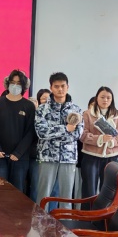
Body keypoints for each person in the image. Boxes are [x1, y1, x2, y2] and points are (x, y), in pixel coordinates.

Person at [35, 72, 83, 210]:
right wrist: (66, 128)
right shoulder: (42, 109)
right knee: (43, 195)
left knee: (66, 197)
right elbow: (41, 132)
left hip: (68, 157)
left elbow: (77, 134)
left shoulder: (76, 110)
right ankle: (40, 222)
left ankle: (65, 223)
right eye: (56, 86)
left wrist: (54, 132)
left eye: (63, 86)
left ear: (68, 87)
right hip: (47, 156)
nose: (60, 89)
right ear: (51, 88)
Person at [0, 69, 37, 195]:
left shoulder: (29, 106)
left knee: (17, 192)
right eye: (12, 82)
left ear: (24, 86)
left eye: (19, 83)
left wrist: (18, 152)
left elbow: (30, 132)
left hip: (20, 157)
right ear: (7, 83)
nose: (15, 86)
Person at [80, 86, 118, 200]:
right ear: (97, 98)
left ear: (112, 99)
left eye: (108, 98)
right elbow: (82, 134)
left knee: (108, 190)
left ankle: (104, 212)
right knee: (89, 189)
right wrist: (100, 139)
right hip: (91, 156)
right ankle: (87, 212)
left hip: (112, 157)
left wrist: (113, 141)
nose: (105, 100)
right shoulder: (87, 114)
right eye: (102, 97)